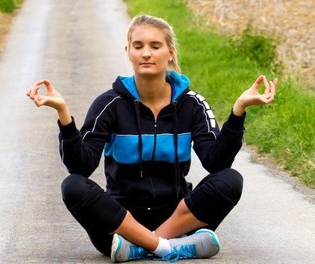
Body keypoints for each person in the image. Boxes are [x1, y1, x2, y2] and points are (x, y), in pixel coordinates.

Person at [26, 14, 276, 263]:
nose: (146, 53)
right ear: (128, 51)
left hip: (176, 219)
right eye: (138, 46)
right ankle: (170, 247)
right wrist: (63, 115)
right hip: (119, 225)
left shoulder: (192, 105)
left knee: (230, 180)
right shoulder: (109, 104)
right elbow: (81, 167)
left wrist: (238, 111)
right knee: (73, 185)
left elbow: (216, 162)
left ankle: (147, 246)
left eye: (155, 46)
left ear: (170, 52)